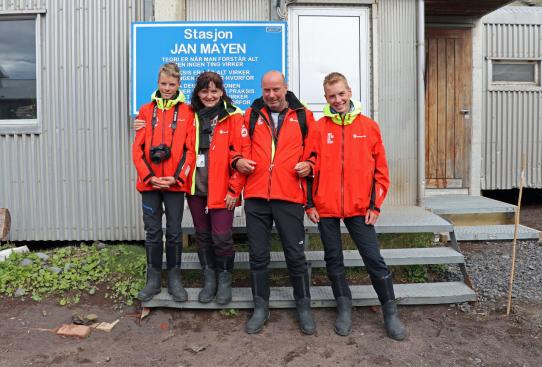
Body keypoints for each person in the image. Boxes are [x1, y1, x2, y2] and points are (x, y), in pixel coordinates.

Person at [305, 72, 407, 340]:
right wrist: (308, 203)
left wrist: (375, 205)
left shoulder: (369, 126)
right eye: (331, 96)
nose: (337, 100)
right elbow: (308, 168)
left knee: (373, 258)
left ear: (349, 92)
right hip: (325, 206)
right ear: (325, 98)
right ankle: (344, 306)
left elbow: (381, 172)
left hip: (360, 206)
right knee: (333, 259)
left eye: (341, 94)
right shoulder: (318, 127)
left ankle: (390, 311)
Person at [235, 70, 317, 335]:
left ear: (285, 88)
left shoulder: (303, 115)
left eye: (276, 90)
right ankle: (261, 307)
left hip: (289, 196)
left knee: (295, 255)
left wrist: (310, 164)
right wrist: (237, 161)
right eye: (266, 90)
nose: (271, 95)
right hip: (257, 196)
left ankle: (303, 306)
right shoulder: (250, 115)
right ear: (261, 89)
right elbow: (236, 148)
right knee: (258, 256)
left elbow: (315, 153)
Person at [132, 63, 195, 303]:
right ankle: (153, 279)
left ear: (179, 85)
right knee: (153, 232)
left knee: (175, 232)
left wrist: (178, 177)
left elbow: (190, 151)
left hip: (175, 185)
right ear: (157, 84)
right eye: (163, 84)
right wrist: (149, 177)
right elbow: (136, 150)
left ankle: (175, 279)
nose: (167, 88)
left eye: (172, 84)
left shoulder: (188, 112)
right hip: (150, 185)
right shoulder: (146, 111)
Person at [186, 71, 249, 305]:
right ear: (198, 92)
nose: (209, 95)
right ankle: (209, 278)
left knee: (221, 237)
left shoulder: (234, 116)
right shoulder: (189, 115)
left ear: (222, 91)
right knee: (202, 236)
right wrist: (142, 123)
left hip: (223, 190)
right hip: (195, 188)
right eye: (204, 91)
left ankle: (224, 280)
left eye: (214, 91)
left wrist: (234, 190)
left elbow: (242, 155)